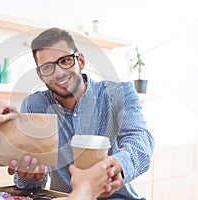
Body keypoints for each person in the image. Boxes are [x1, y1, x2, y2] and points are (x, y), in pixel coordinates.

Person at [8, 28, 155, 199]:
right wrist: (28, 175)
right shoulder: (35, 105)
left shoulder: (119, 94)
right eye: (48, 67)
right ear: (40, 75)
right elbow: (31, 185)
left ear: (81, 61)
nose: (59, 72)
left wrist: (118, 165)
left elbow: (140, 137)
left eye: (65, 60)